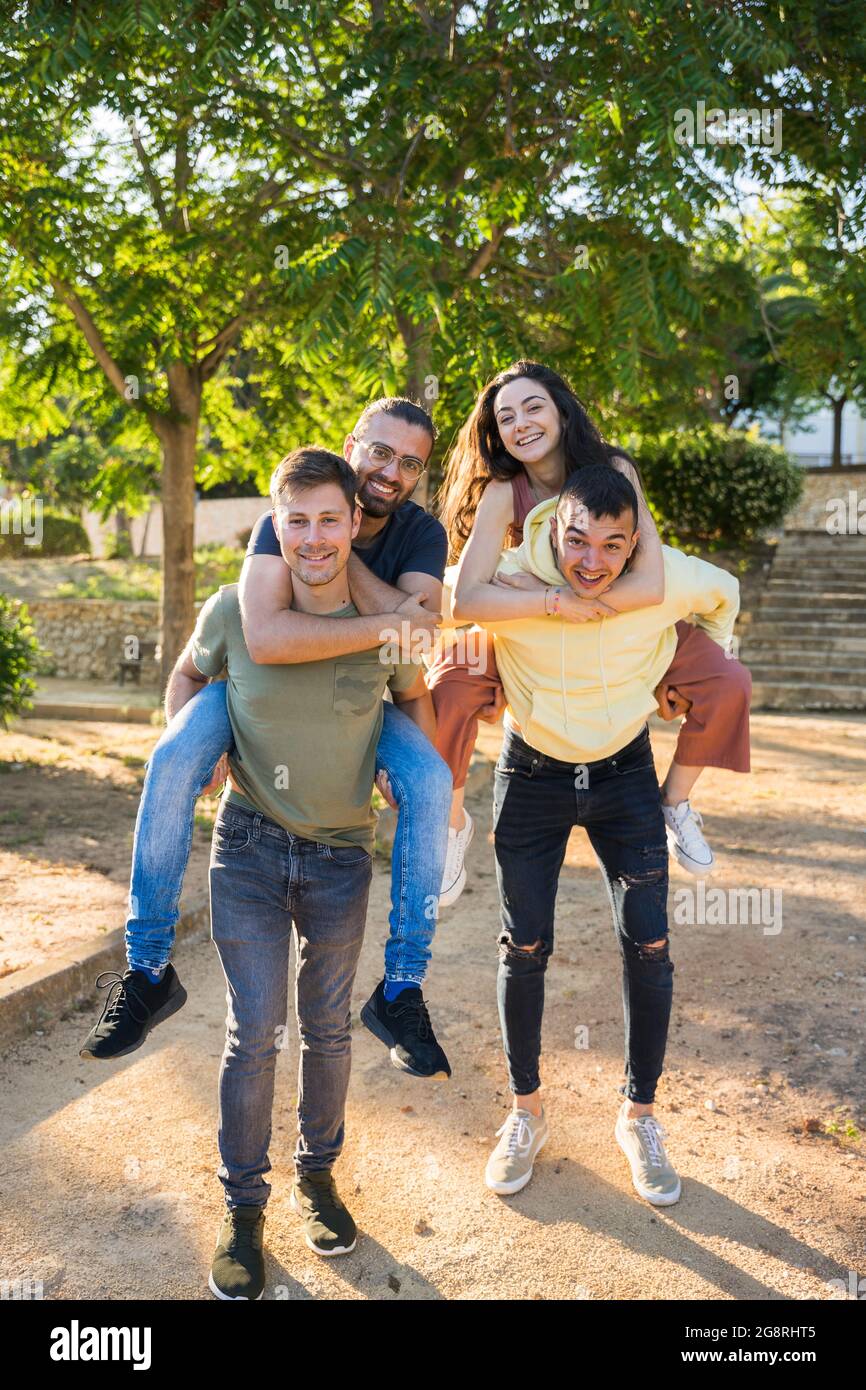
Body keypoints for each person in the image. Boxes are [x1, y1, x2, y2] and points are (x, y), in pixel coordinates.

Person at [79, 399, 455, 1080]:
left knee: (431, 778)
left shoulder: (422, 535)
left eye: (409, 463)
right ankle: (147, 970)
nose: (390, 471)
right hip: (248, 690)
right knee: (170, 758)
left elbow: (420, 646)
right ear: (350, 444)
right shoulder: (284, 516)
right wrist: (388, 615)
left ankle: (400, 990)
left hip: (363, 700)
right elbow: (268, 639)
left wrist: (375, 598)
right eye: (377, 451)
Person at [182, 448, 444, 1298]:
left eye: (331, 518)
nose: (314, 537)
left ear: (353, 524)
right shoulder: (236, 609)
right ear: (275, 525)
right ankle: (243, 1208)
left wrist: (415, 771)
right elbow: (190, 670)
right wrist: (196, 747)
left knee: (329, 1031)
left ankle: (317, 1178)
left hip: (339, 856)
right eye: (296, 521)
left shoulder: (390, 628)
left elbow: (413, 696)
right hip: (250, 848)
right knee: (252, 1034)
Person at [452, 465, 741, 1205]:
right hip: (531, 774)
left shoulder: (664, 577)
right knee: (524, 944)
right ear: (554, 527)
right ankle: (526, 1112)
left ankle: (639, 1116)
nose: (591, 562)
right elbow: (446, 608)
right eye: (577, 540)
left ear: (634, 540)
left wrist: (692, 661)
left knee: (650, 943)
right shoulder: (511, 577)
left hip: (626, 777)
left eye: (612, 547)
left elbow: (725, 593)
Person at [429, 361, 751, 897]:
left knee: (727, 680)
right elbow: (467, 596)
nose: (521, 423)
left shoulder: (615, 468)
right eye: (506, 417)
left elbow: (649, 585)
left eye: (534, 407)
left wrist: (578, 600)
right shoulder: (504, 490)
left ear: (562, 411)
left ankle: (674, 801)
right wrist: (549, 601)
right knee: (451, 683)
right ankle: (452, 824)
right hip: (532, 625)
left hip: (614, 619)